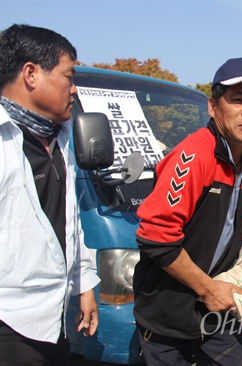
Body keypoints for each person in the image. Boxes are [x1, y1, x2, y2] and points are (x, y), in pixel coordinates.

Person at [133, 57, 242, 366]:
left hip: (217, 312)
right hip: (169, 310)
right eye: (238, 100)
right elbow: (155, 236)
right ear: (213, 107)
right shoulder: (194, 154)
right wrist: (208, 289)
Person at [0, 24, 100, 365]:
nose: (74, 89)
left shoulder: (60, 139)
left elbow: (69, 222)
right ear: (31, 74)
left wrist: (84, 285)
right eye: (68, 77)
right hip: (9, 321)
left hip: (54, 317)